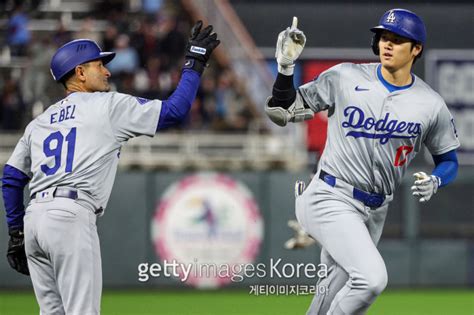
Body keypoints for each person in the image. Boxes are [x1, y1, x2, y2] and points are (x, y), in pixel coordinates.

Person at [2, 21, 219, 314]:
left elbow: (12, 178)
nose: (106, 71)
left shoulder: (39, 122)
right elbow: (175, 111)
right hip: (70, 216)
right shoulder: (107, 105)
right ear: (79, 73)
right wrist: (195, 61)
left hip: (34, 222)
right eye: (98, 65)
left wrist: (16, 232)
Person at [266, 10, 459, 315]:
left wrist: (437, 179)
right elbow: (282, 111)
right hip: (330, 194)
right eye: (384, 37)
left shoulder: (430, 103)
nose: (388, 44)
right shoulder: (345, 77)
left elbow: (448, 160)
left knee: (332, 293)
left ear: (417, 49)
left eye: (398, 39)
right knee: (370, 280)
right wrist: (286, 68)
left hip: (374, 210)